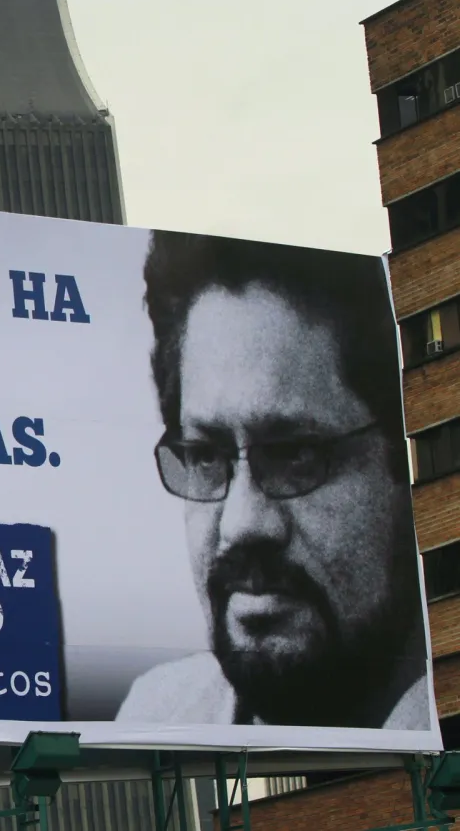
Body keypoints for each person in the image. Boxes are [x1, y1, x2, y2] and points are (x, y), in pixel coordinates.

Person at [117, 231, 429, 729]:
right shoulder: (162, 713)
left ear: (400, 456)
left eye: (296, 455)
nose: (242, 524)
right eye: (204, 456)